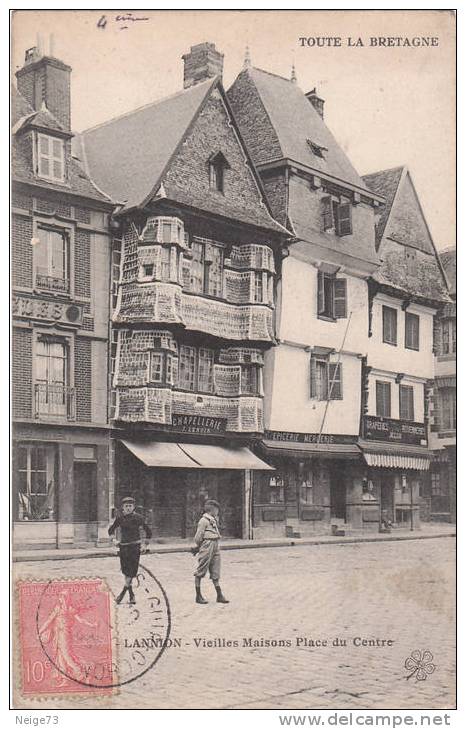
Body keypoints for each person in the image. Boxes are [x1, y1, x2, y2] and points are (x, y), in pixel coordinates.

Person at [108, 496, 152, 605]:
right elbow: (111, 530)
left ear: (134, 507)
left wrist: (145, 545)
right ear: (123, 507)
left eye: (130, 506)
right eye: (126, 506)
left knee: (132, 572)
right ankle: (132, 595)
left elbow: (148, 532)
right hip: (123, 547)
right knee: (126, 571)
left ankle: (122, 594)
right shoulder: (120, 518)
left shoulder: (139, 518)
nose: (128, 508)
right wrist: (114, 541)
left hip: (135, 547)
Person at [192, 499, 229, 605]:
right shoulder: (203, 521)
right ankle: (198, 595)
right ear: (212, 510)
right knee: (201, 569)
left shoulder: (213, 519)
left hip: (215, 544)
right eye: (217, 509)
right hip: (207, 545)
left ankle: (219, 595)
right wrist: (201, 546)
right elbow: (198, 537)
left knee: (216, 569)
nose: (218, 512)